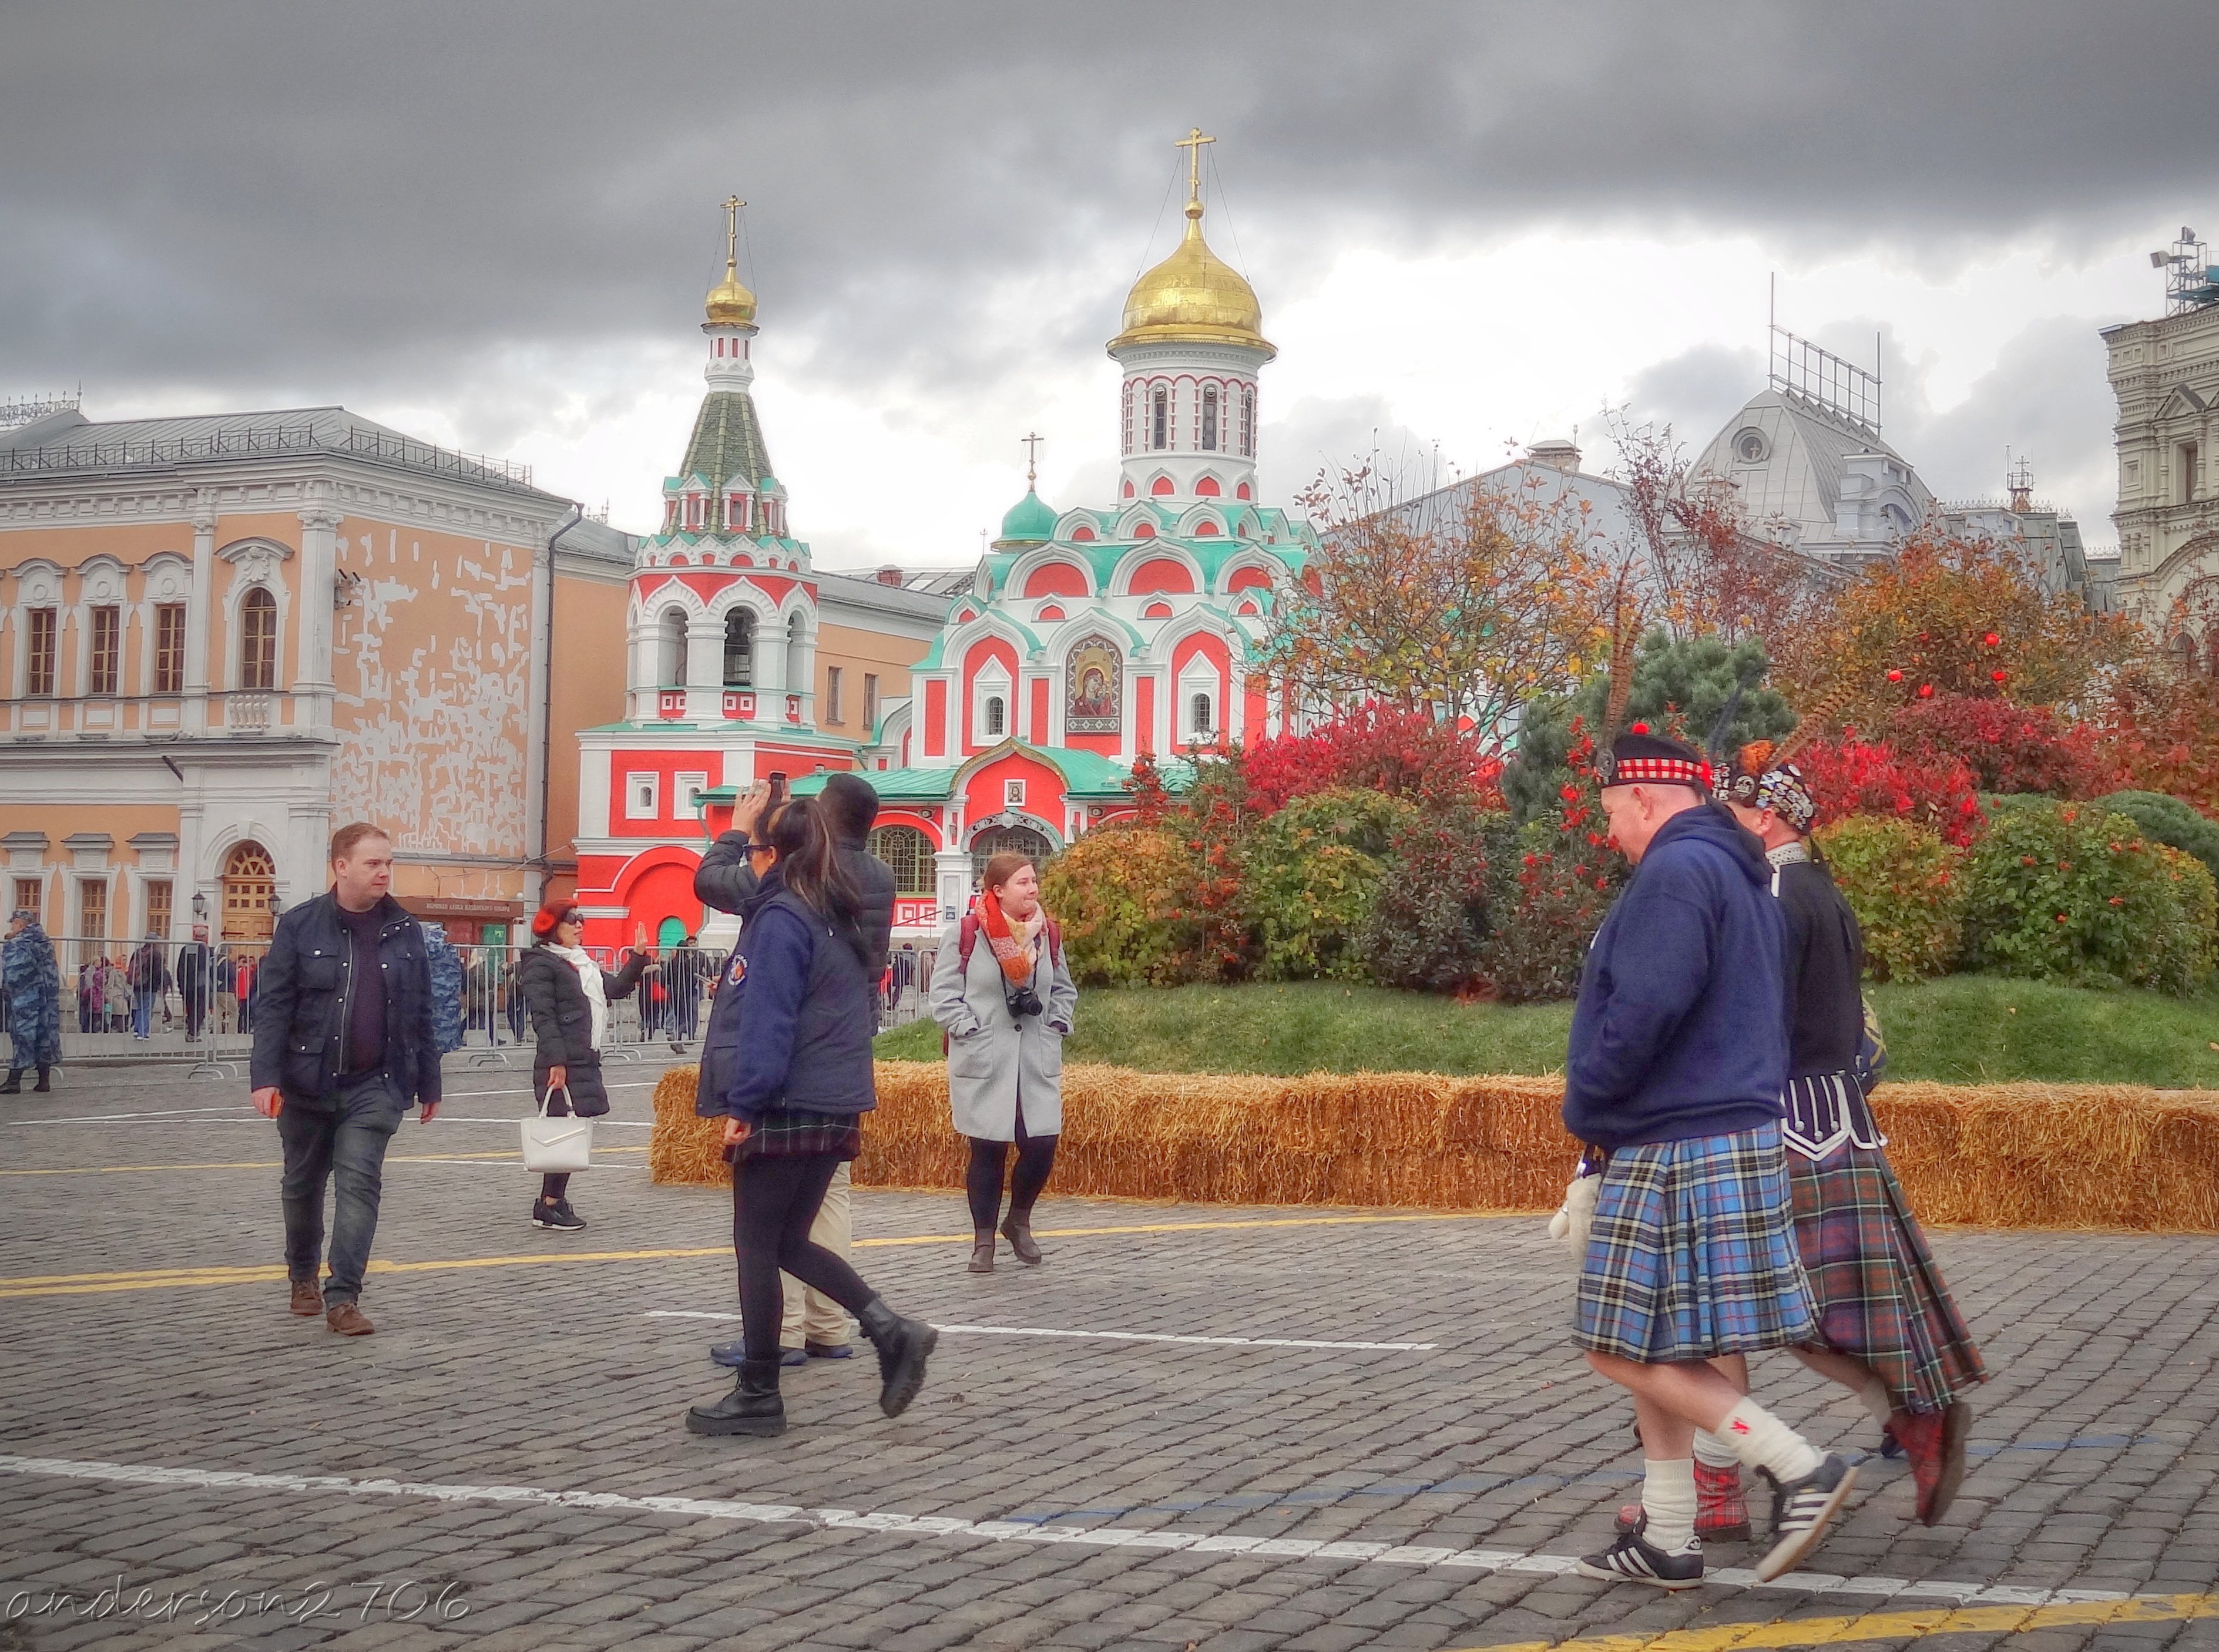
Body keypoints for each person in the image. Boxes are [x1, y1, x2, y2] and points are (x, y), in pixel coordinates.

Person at [1564, 729, 1855, 1590]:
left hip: (1675, 1133)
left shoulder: (1675, 873)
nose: (1612, 830)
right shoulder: (1740, 872)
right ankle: (1668, 1533)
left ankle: (1799, 1464)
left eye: (1613, 812)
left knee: (1614, 1345)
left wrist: (1588, 1103)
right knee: (1664, 1344)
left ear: (1645, 800)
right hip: (1723, 1125)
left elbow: (1647, 1008)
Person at [1723, 748, 1986, 1526]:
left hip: (1792, 1128)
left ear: (1765, 817)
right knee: (1835, 1305)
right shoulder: (1822, 889)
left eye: (1733, 812)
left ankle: (1912, 1418)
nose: (1724, 825)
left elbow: (1751, 1019)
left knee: (1789, 1310)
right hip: (1838, 1115)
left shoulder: (1771, 891)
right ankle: (1913, 1413)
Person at [686, 796, 935, 1437]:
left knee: (756, 1244)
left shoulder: (783, 916)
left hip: (787, 1097)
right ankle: (888, 1328)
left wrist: (744, 1104)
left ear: (775, 853)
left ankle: (760, 1390)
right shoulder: (839, 911)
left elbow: (769, 1017)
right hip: (835, 1095)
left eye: (758, 850)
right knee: (791, 1239)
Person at [697, 771, 897, 1366]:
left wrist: (738, 833)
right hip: (843, 1061)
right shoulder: (873, 881)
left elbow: (712, 884)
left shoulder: (786, 905)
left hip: (791, 1082)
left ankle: (773, 1351)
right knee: (824, 1210)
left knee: (762, 1237)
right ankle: (834, 1326)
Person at [250, 824, 440, 1337]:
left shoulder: (405, 929)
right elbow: (274, 1008)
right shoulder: (300, 925)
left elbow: (422, 1007)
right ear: (341, 867)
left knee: (359, 1184)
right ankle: (302, 1276)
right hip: (306, 1080)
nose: (383, 872)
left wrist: (430, 1081)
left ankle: (344, 1297)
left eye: (387, 863)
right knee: (302, 1185)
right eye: (373, 863)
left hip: (376, 1082)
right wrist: (265, 1077)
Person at [930, 852, 1077, 1273]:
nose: (1032, 889)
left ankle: (1018, 1220)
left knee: (1041, 1142)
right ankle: (982, 1240)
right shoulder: (967, 933)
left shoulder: (1047, 934)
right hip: (985, 1054)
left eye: (1034, 882)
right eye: (1022, 883)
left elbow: (1064, 989)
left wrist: (1056, 1021)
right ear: (997, 890)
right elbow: (942, 995)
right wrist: (967, 1027)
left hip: (1035, 1055)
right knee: (987, 1147)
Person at [516, 904, 651, 1230]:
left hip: (583, 1058)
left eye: (582, 921)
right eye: (573, 921)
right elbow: (543, 1018)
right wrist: (557, 1061)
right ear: (554, 928)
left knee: (570, 1133)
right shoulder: (542, 965)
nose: (580, 926)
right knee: (562, 1134)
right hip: (562, 1061)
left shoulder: (582, 964)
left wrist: (638, 956)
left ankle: (553, 1202)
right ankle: (548, 1205)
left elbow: (616, 989)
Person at [2, 909, 62, 1093]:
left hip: (26, 998)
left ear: (20, 924)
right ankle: (44, 1081)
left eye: (13, 923)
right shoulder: (45, 942)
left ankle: (14, 1081)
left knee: (23, 1036)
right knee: (44, 1035)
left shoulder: (17, 944)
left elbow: (11, 974)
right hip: (47, 998)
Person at [422, 921, 465, 1060]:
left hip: (427, 1007)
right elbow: (459, 978)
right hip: (447, 1008)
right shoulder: (449, 954)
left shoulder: (419, 953)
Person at [127, 932, 170, 1040]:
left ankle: (137, 1030)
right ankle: (143, 1032)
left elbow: (131, 967)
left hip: (137, 985)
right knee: (147, 1009)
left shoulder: (137, 952)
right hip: (150, 986)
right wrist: (159, 985)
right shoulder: (156, 954)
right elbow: (158, 972)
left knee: (139, 1007)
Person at [177, 924, 214, 1043]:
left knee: (192, 1009)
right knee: (200, 1010)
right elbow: (208, 968)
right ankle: (193, 1033)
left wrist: (181, 985)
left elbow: (181, 968)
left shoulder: (186, 948)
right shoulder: (205, 949)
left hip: (188, 986)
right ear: (205, 936)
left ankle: (193, 1031)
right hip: (201, 985)